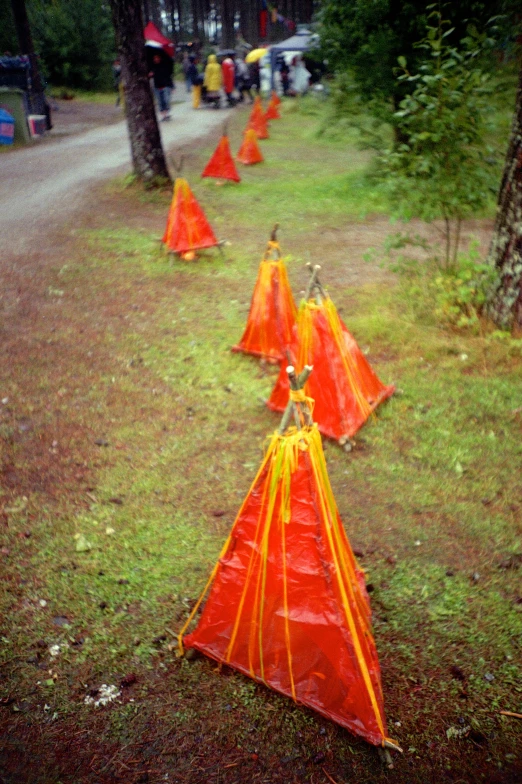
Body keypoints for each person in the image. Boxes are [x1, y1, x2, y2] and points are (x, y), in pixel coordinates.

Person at [150, 51, 174, 121]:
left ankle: (167, 113)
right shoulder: (152, 67)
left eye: (157, 58)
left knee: (166, 100)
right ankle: (164, 115)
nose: (156, 59)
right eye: (155, 58)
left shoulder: (164, 66)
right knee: (160, 102)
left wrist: (172, 86)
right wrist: (150, 75)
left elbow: (169, 76)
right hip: (157, 86)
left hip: (165, 86)